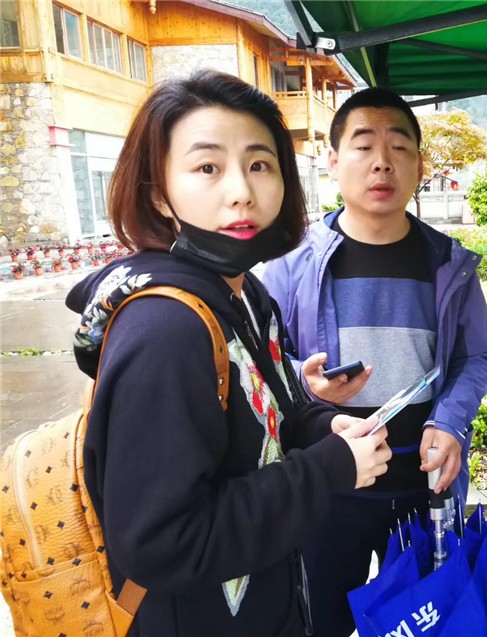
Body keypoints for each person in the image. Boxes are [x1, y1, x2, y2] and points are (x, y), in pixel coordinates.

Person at [65, 70, 391, 637]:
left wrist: (321, 425)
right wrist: (330, 467)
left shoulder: (245, 294)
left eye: (260, 164)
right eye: (207, 168)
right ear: (158, 194)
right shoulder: (166, 329)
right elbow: (162, 543)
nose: (241, 190)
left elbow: (268, 420)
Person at [263, 87, 487, 637]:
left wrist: (450, 423)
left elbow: (475, 357)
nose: (382, 162)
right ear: (332, 159)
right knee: (318, 624)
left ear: (420, 165)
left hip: (422, 486)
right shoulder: (291, 264)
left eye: (399, 147)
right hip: (325, 486)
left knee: (426, 624)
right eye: (364, 145)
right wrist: (304, 381)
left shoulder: (449, 263)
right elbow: (260, 364)